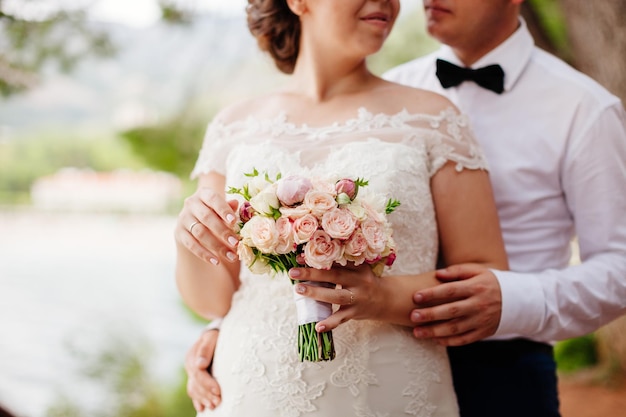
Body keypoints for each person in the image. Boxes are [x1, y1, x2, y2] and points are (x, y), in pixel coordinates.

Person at [184, 0, 626, 416]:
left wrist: (511, 298)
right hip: (269, 376)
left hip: (493, 358)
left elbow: (615, 267)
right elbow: (231, 281)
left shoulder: (580, 108)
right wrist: (223, 324)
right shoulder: (396, 84)